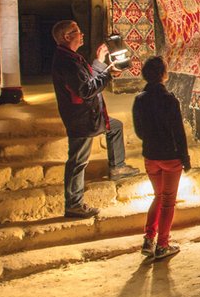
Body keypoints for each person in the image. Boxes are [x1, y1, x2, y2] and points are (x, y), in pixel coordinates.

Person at [50, 20, 140, 219]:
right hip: (81, 118)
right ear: (67, 36)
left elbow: (88, 80)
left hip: (89, 114)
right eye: (77, 31)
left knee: (115, 127)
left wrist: (100, 62)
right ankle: (74, 204)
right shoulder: (67, 62)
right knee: (78, 161)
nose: (81, 34)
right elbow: (86, 89)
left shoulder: (71, 57)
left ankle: (117, 167)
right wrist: (108, 74)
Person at [131, 57, 190, 261]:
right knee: (167, 202)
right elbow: (178, 132)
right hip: (170, 157)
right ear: (163, 74)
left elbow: (139, 131)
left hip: (151, 156)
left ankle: (148, 239)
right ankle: (163, 245)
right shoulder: (170, 100)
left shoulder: (140, 99)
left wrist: (152, 140)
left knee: (158, 196)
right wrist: (184, 157)